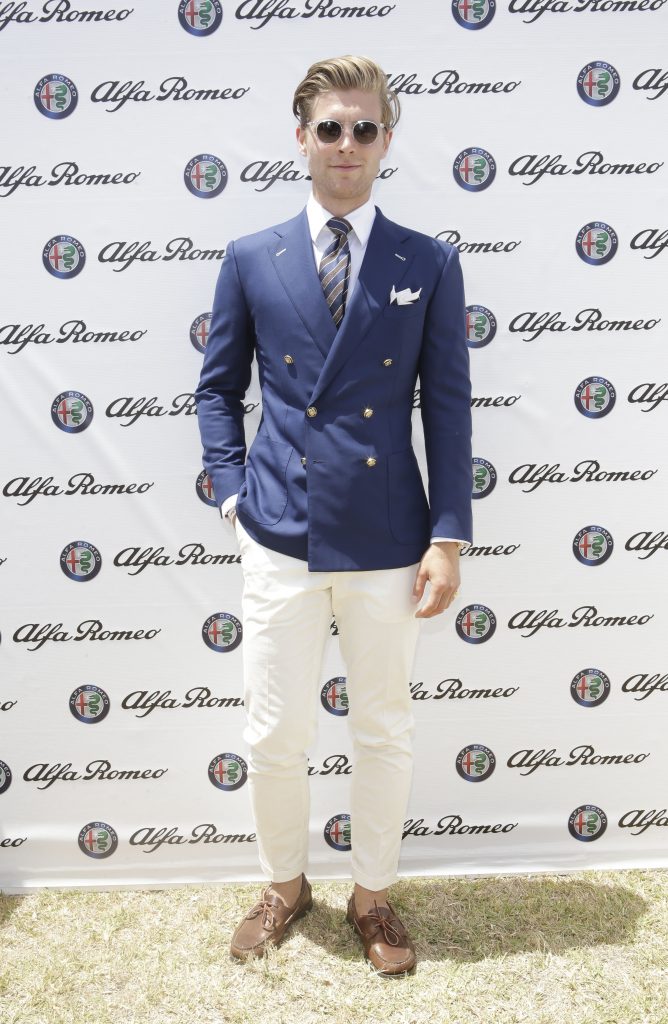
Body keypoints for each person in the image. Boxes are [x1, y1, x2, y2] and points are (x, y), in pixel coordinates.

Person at [194, 54, 472, 977]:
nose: (345, 144)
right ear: (301, 137)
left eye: (364, 128)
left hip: (389, 538)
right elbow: (217, 389)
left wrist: (447, 535)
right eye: (330, 127)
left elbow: (448, 406)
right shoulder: (251, 256)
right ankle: (285, 884)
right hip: (279, 530)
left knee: (383, 727)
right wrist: (233, 491)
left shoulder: (428, 260)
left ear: (387, 140)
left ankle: (372, 893)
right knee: (276, 732)